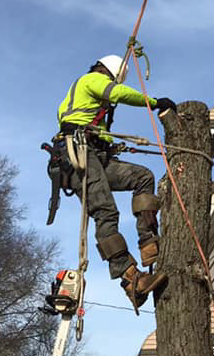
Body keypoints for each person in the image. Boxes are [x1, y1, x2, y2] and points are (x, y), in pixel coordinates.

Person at [48, 54, 176, 310]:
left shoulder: (94, 108)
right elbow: (118, 93)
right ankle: (130, 278)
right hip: (77, 155)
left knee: (142, 177)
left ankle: (148, 241)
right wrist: (152, 102)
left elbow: (98, 128)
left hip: (93, 153)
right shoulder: (91, 80)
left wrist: (109, 144)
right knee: (105, 211)